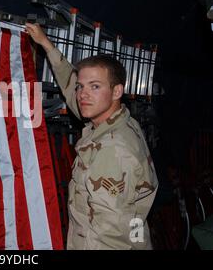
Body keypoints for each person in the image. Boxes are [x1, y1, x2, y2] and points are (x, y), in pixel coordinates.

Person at [25, 23, 158, 249]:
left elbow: (107, 235)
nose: (83, 95)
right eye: (81, 87)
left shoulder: (111, 151)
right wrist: (46, 44)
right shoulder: (117, 119)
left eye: (94, 87)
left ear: (117, 91)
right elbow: (70, 85)